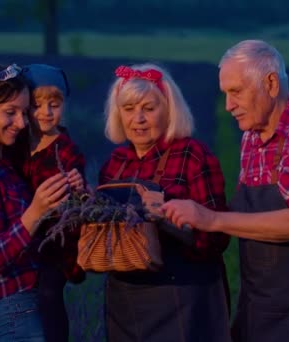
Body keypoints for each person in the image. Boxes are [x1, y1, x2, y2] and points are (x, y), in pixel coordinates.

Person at [162, 39, 289, 341]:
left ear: (272, 83)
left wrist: (210, 219)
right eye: (225, 94)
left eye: (236, 92)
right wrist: (168, 206)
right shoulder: (251, 137)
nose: (227, 106)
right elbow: (244, 217)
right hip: (259, 306)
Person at [0, 64, 87, 342]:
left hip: (25, 305)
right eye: (10, 112)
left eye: (24, 112)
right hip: (11, 311)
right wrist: (37, 210)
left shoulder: (3, 161)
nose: (23, 122)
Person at [98, 63, 232, 342]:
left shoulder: (192, 155)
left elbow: (217, 239)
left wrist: (169, 220)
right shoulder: (115, 165)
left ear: (169, 109)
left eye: (149, 108)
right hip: (125, 300)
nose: (139, 119)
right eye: (129, 109)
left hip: (183, 298)